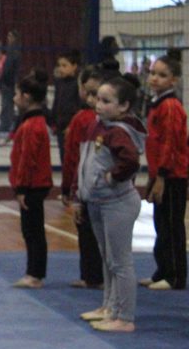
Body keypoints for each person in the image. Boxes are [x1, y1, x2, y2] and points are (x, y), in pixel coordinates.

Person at [73, 76, 146, 333]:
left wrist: (113, 176)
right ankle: (109, 307)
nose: (98, 104)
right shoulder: (98, 126)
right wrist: (78, 195)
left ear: (123, 106)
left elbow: (131, 161)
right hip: (98, 200)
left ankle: (124, 317)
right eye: (97, 99)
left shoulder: (118, 131)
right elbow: (85, 164)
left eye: (106, 101)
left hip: (117, 202)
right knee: (107, 259)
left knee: (120, 262)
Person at [141, 55, 188, 291]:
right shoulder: (157, 103)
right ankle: (163, 270)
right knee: (161, 225)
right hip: (161, 172)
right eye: (153, 73)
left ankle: (176, 276)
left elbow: (169, 143)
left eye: (162, 75)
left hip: (172, 175)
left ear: (174, 80)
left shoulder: (170, 106)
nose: (155, 78)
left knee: (171, 225)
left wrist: (161, 175)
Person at [60, 67, 105, 290]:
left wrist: (67, 188)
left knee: (87, 230)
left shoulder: (82, 119)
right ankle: (98, 275)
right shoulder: (115, 120)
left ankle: (92, 276)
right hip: (107, 185)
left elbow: (72, 157)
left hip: (88, 184)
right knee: (102, 232)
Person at [10, 70, 54, 289]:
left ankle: (34, 273)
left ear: (26, 97)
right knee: (33, 230)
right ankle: (34, 272)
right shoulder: (35, 122)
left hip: (32, 185)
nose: (14, 98)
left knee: (32, 231)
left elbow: (27, 159)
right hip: (36, 183)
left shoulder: (31, 126)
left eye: (17, 94)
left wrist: (21, 187)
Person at [52, 50, 81, 168]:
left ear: (74, 67)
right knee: (63, 158)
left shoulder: (77, 85)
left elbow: (79, 107)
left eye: (64, 66)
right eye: (59, 65)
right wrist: (53, 121)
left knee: (73, 158)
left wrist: (71, 126)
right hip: (60, 126)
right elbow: (56, 103)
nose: (61, 69)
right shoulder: (59, 83)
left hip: (72, 127)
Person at [0, 29, 21, 133]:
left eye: (10, 36)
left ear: (15, 38)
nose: (8, 38)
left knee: (6, 104)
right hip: (9, 80)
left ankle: (5, 125)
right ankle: (7, 123)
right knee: (8, 104)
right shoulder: (12, 50)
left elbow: (8, 68)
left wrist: (1, 80)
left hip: (8, 81)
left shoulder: (13, 51)